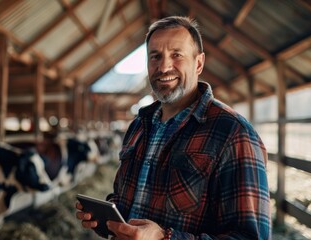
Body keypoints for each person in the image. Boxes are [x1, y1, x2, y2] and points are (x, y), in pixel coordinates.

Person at [76, 16, 271, 239]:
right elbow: (128, 199)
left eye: (176, 55)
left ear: (198, 63)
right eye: (155, 56)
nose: (164, 66)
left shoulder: (233, 133)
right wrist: (109, 218)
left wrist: (164, 237)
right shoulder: (140, 125)